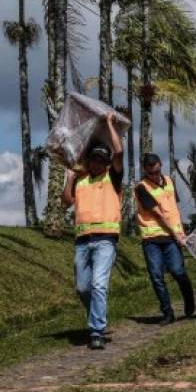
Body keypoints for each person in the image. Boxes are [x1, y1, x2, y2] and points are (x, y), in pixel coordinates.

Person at [62, 113, 124, 351]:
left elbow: (118, 153)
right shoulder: (81, 181)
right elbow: (66, 202)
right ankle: (96, 316)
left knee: (99, 285)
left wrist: (109, 125)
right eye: (94, 160)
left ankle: (97, 331)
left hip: (106, 240)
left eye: (102, 160)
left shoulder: (112, 179)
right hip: (82, 241)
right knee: (82, 288)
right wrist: (70, 178)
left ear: (106, 163)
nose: (98, 163)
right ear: (88, 161)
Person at [134, 153, 195, 324]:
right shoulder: (141, 187)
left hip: (171, 237)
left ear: (160, 166)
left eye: (157, 171)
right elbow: (159, 215)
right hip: (152, 238)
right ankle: (167, 312)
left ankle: (189, 297)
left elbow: (174, 209)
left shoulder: (169, 181)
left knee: (178, 271)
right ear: (145, 170)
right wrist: (176, 235)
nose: (154, 175)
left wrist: (181, 231)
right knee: (156, 276)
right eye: (151, 172)